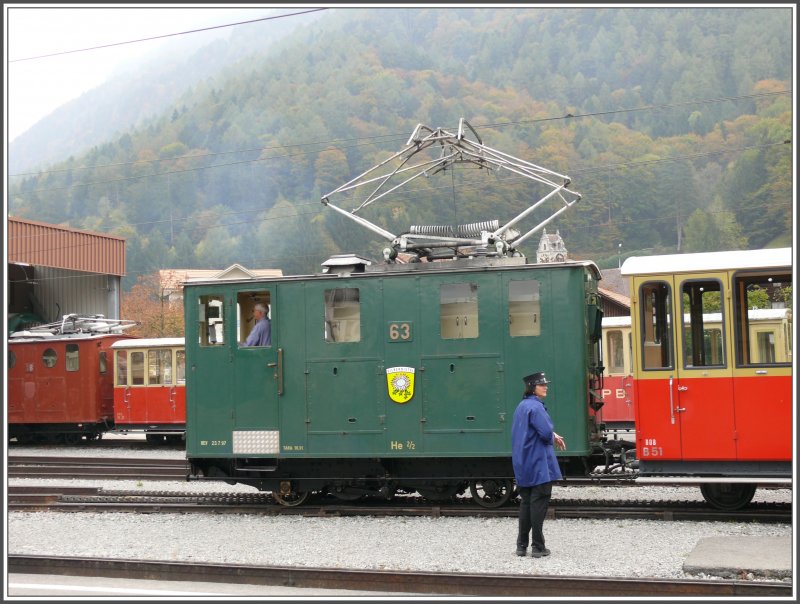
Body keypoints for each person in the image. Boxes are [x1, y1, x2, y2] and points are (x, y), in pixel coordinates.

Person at [511, 371, 566, 558]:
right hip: (539, 465)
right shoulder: (536, 407)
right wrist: (552, 434)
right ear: (533, 388)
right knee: (538, 505)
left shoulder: (521, 406)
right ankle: (538, 547)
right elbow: (544, 432)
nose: (546, 387)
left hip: (523, 464)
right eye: (542, 384)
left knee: (526, 504)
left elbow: (533, 431)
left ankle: (521, 546)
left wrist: (552, 434)